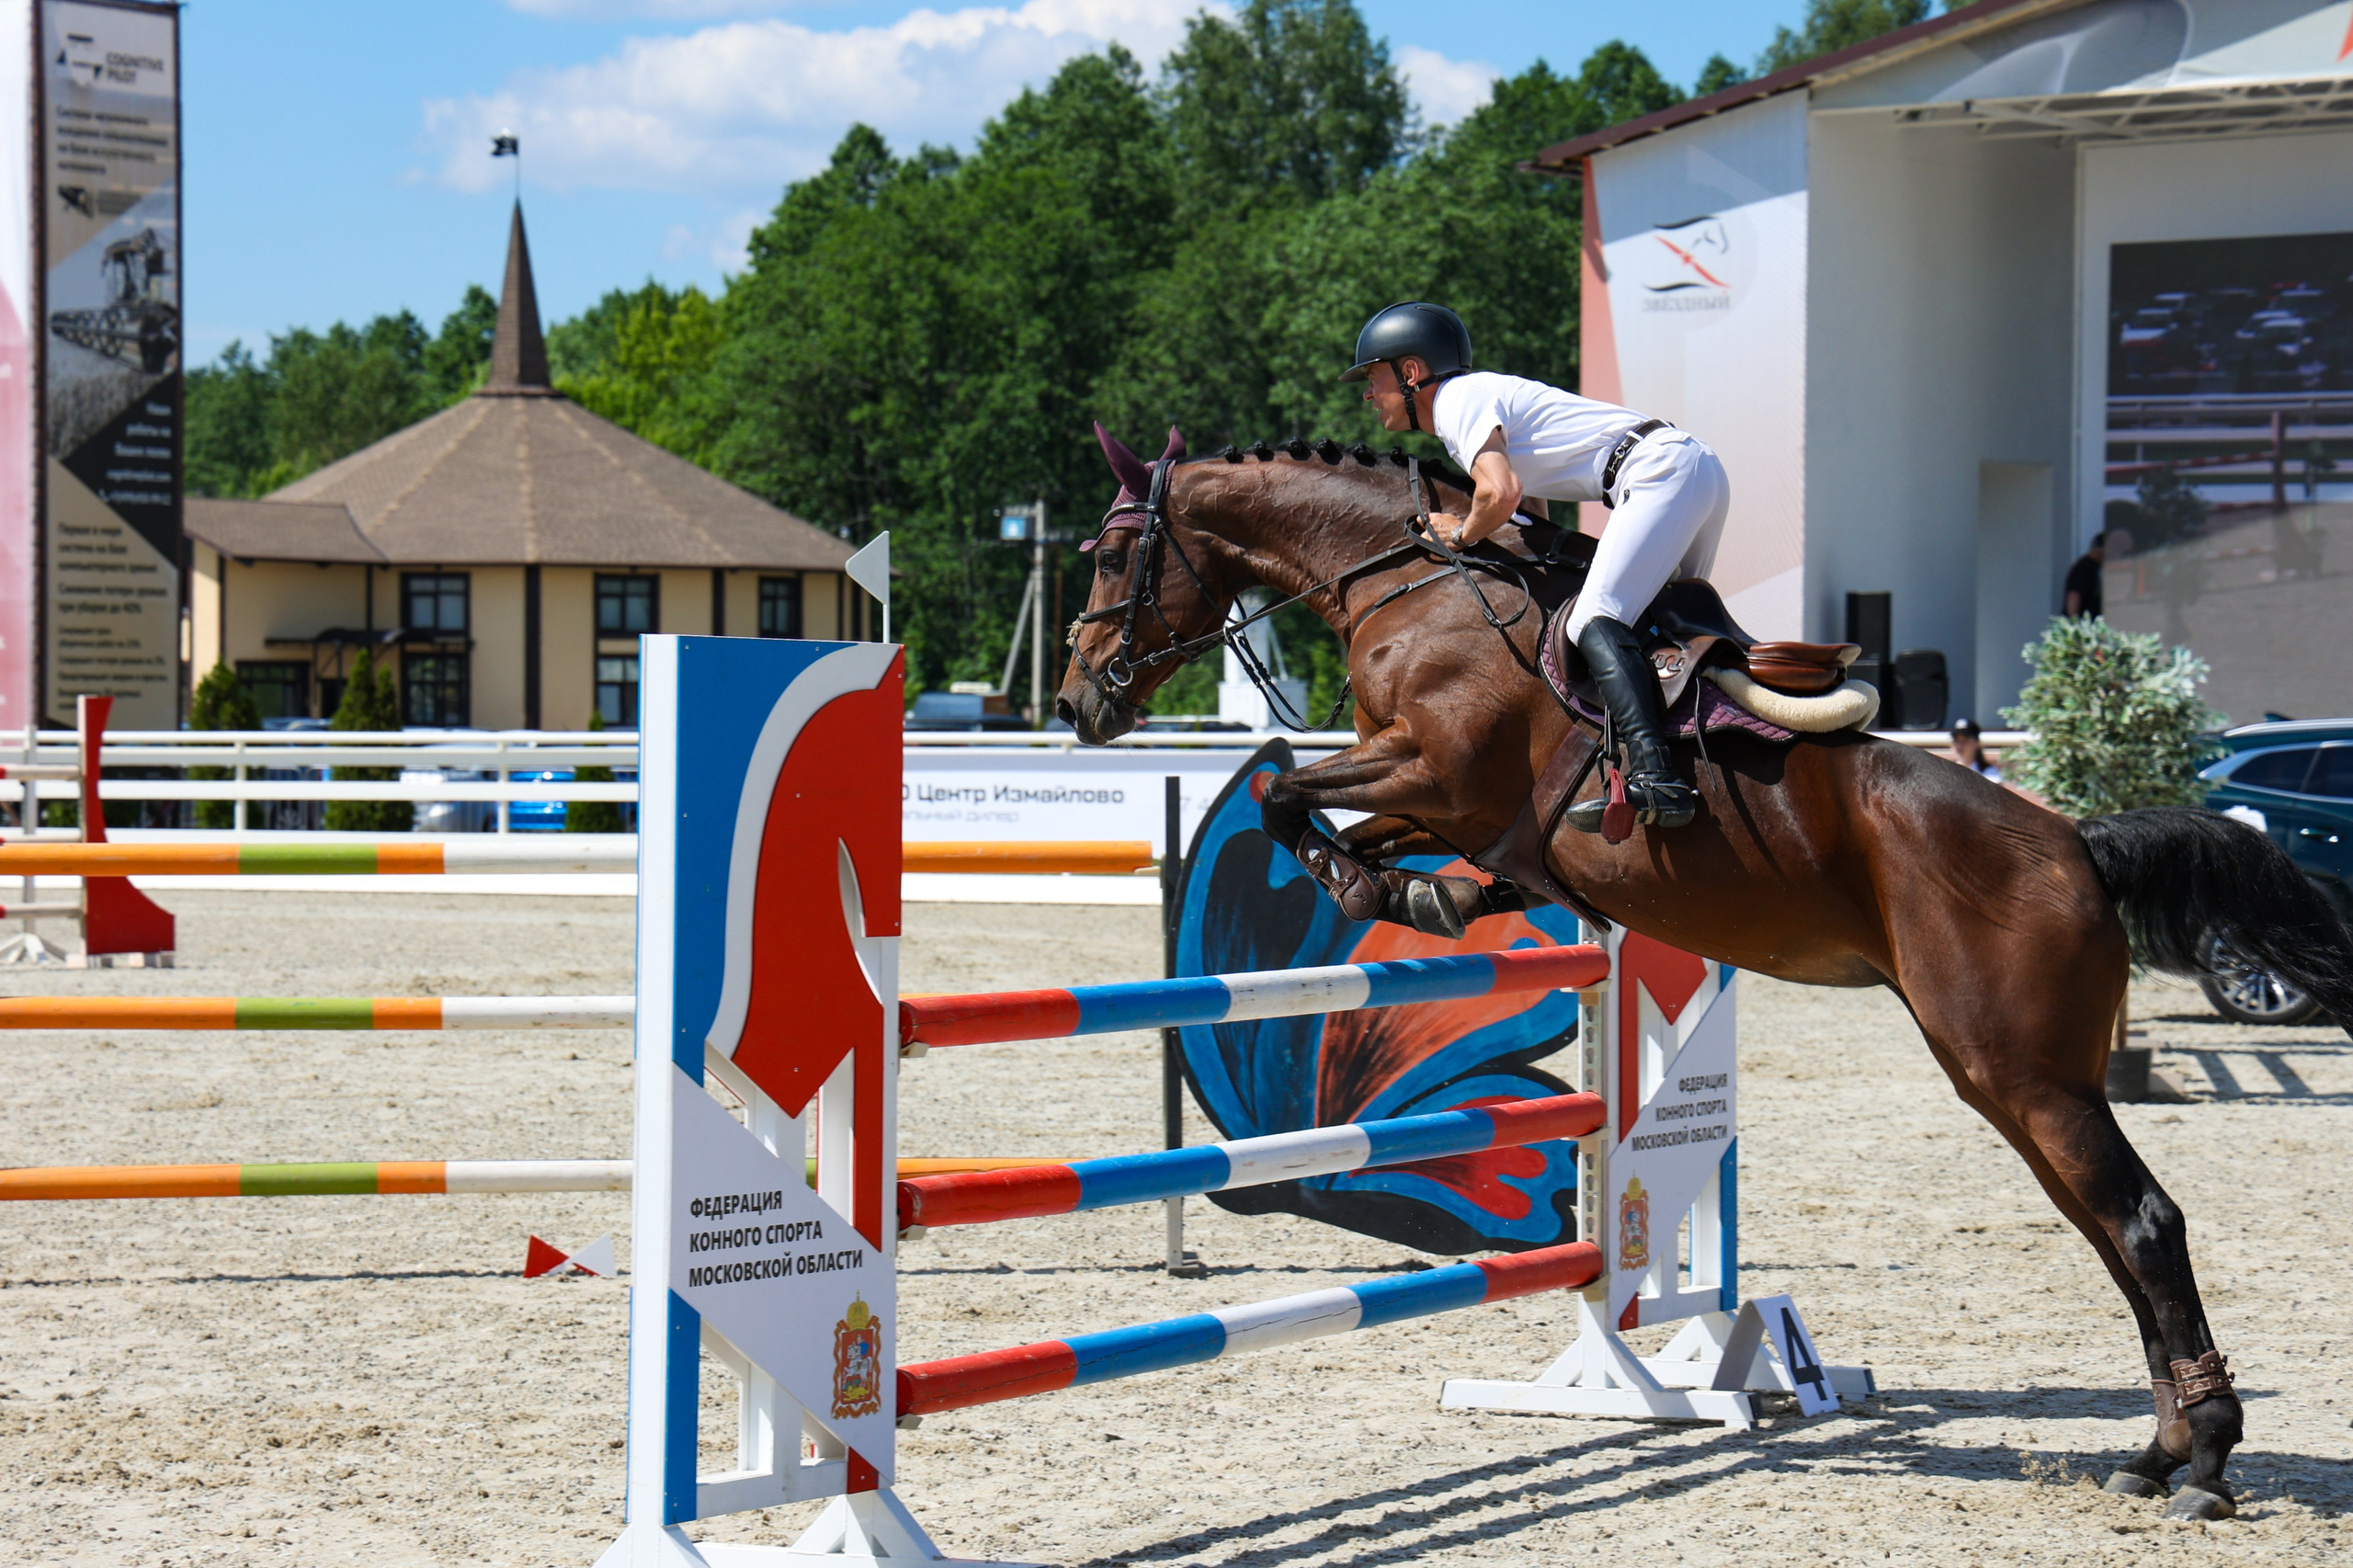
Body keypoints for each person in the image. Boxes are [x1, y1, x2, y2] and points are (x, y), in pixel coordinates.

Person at [1344, 301, 1729, 832]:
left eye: (1373, 376)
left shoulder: (1456, 400)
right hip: (1690, 467)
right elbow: (1528, 517)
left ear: (1411, 374)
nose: (1368, 393)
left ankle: (1657, 776)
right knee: (1666, 627)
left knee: (1594, 619)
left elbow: (1500, 493)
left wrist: (1460, 531)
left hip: (1658, 472)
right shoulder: (1479, 401)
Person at [2063, 535, 2106, 618]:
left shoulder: (2094, 567)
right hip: (2083, 625)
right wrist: (2074, 623)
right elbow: (2073, 596)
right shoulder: (2084, 568)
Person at [1948, 717, 2001, 781]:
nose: (1960, 745)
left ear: (1977, 743)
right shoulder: (1948, 772)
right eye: (1956, 740)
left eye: (1965, 740)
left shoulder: (1989, 773)